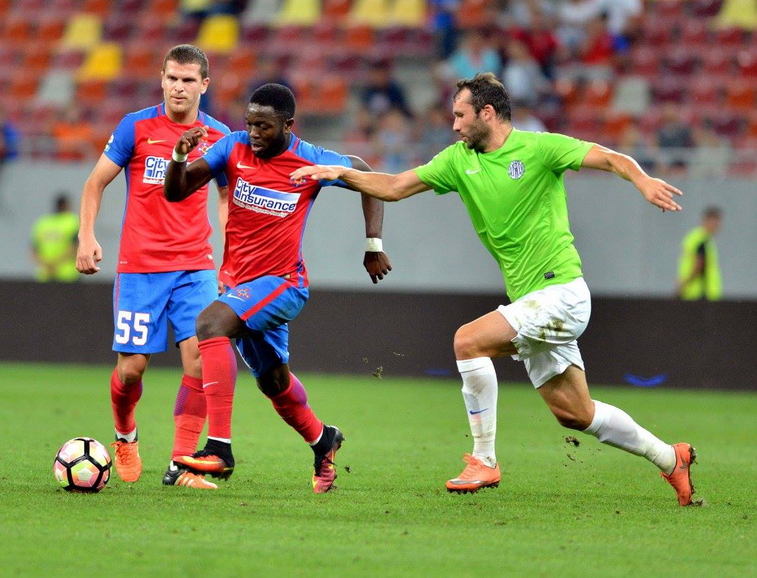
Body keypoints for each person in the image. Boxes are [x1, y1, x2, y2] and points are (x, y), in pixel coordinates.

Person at [291, 72, 699, 506]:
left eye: (460, 115)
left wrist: (642, 180)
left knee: (468, 341)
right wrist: (339, 174)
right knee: (575, 414)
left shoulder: (540, 148)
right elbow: (394, 187)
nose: (454, 125)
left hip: (562, 293)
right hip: (533, 301)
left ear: (487, 113)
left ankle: (484, 459)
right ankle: (670, 458)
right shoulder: (457, 160)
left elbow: (612, 158)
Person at [163, 83, 392, 493]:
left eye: (264, 127)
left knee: (210, 325)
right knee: (273, 382)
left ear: (288, 125)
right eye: (250, 124)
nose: (253, 133)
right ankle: (324, 439)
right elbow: (177, 190)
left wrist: (373, 244)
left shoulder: (310, 159)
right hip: (240, 287)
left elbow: (367, 174)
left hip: (283, 284)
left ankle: (219, 448)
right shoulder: (232, 148)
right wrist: (179, 155)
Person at [76, 44, 231, 490]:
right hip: (140, 265)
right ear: (161, 79)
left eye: (187, 80)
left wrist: (229, 249)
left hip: (194, 265)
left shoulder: (219, 135)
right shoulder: (136, 126)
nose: (178, 87)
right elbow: (95, 182)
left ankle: (182, 463)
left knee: (200, 358)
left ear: (205, 84)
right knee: (132, 370)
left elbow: (225, 194)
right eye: (171, 78)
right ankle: (126, 435)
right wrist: (86, 235)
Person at [677, 206, 723, 301]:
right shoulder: (702, 240)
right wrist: (683, 285)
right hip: (700, 293)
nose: (717, 227)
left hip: (696, 293)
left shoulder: (697, 238)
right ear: (707, 221)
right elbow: (699, 265)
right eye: (715, 223)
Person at [31, 193, 80, 282]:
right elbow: (75, 247)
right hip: (68, 274)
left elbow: (33, 250)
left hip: (45, 274)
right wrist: (56, 264)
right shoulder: (72, 221)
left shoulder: (42, 223)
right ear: (66, 205)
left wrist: (47, 265)